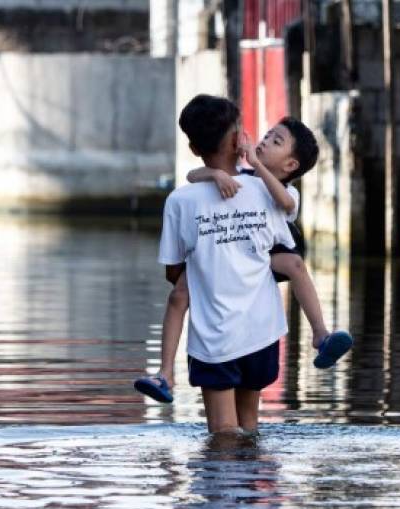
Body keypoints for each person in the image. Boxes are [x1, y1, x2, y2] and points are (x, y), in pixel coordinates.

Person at [136, 117, 353, 404]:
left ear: (290, 166)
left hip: (265, 257)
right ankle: (165, 374)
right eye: (267, 136)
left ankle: (320, 334)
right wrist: (216, 175)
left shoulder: (286, 191)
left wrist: (257, 165)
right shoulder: (240, 175)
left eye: (276, 142)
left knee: (296, 265)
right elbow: (191, 176)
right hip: (224, 254)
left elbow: (285, 205)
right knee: (178, 295)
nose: (264, 141)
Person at [137, 94, 293, 434]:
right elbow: (283, 246)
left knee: (223, 433)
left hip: (215, 335)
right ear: (238, 140)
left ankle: (166, 373)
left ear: (194, 149)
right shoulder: (267, 191)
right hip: (261, 330)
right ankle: (250, 486)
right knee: (249, 429)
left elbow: (172, 273)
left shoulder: (180, 201)